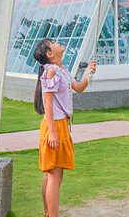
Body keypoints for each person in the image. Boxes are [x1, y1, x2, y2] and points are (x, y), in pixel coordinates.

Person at [33, 39, 96, 217]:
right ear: (49, 54)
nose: (58, 42)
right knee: (55, 176)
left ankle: (47, 214)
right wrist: (53, 133)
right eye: (52, 42)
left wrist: (89, 73)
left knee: (50, 174)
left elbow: (79, 88)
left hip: (59, 125)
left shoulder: (62, 70)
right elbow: (48, 103)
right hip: (54, 126)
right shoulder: (52, 71)